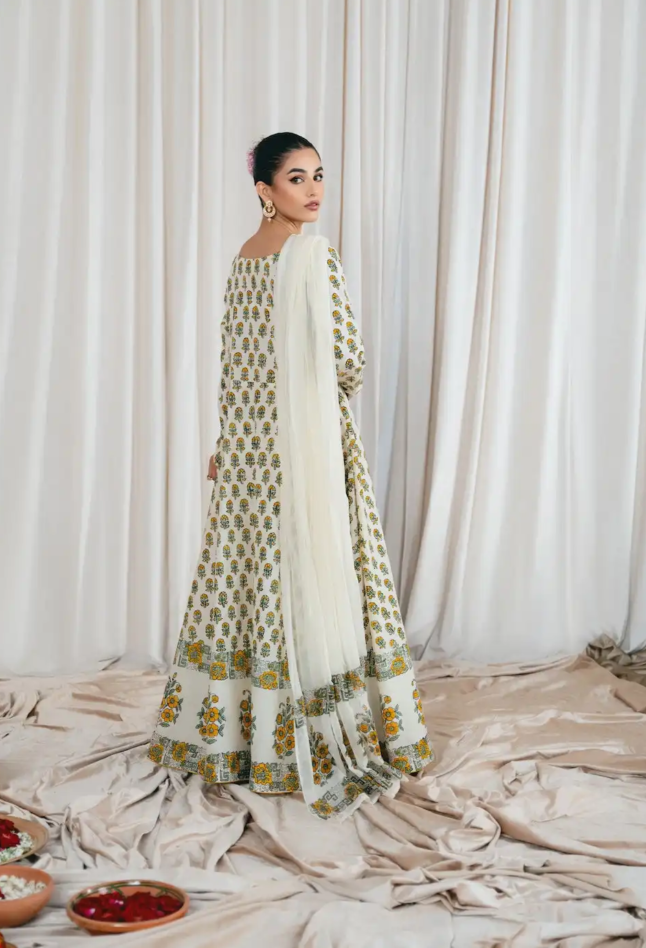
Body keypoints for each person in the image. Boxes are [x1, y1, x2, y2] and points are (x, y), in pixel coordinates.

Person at [149, 132, 432, 819]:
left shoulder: (244, 259)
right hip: (308, 446)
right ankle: (318, 732)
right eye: (297, 177)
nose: (313, 190)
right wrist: (317, 408)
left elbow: (236, 365)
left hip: (249, 448)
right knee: (318, 573)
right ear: (264, 189)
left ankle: (236, 741)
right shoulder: (313, 255)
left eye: (318, 175)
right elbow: (348, 359)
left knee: (247, 579)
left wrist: (228, 442)